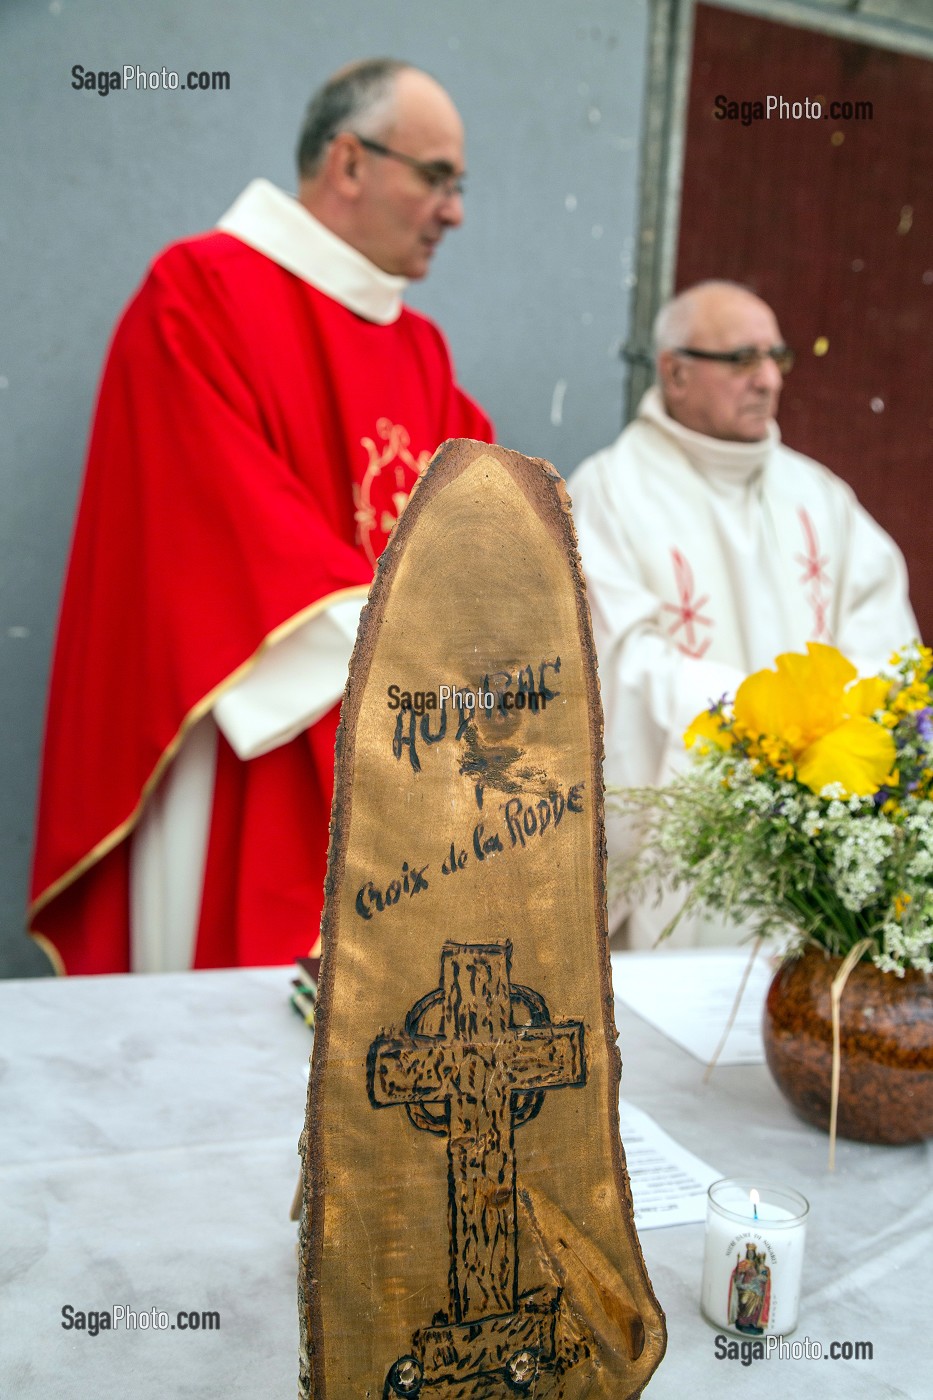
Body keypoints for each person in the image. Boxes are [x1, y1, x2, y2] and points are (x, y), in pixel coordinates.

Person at [29, 59, 493, 975]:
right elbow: (211, 532)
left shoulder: (420, 349)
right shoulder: (198, 291)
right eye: (436, 177)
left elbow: (488, 530)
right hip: (256, 734)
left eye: (458, 184)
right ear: (349, 163)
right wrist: (414, 666)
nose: (454, 212)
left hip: (399, 762)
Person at [570, 280, 916, 947]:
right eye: (741, 360)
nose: (765, 380)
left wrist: (824, 732)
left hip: (815, 828)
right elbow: (612, 662)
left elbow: (884, 637)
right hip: (693, 824)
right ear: (673, 372)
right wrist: (758, 718)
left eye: (775, 358)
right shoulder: (608, 493)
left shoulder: (818, 496)